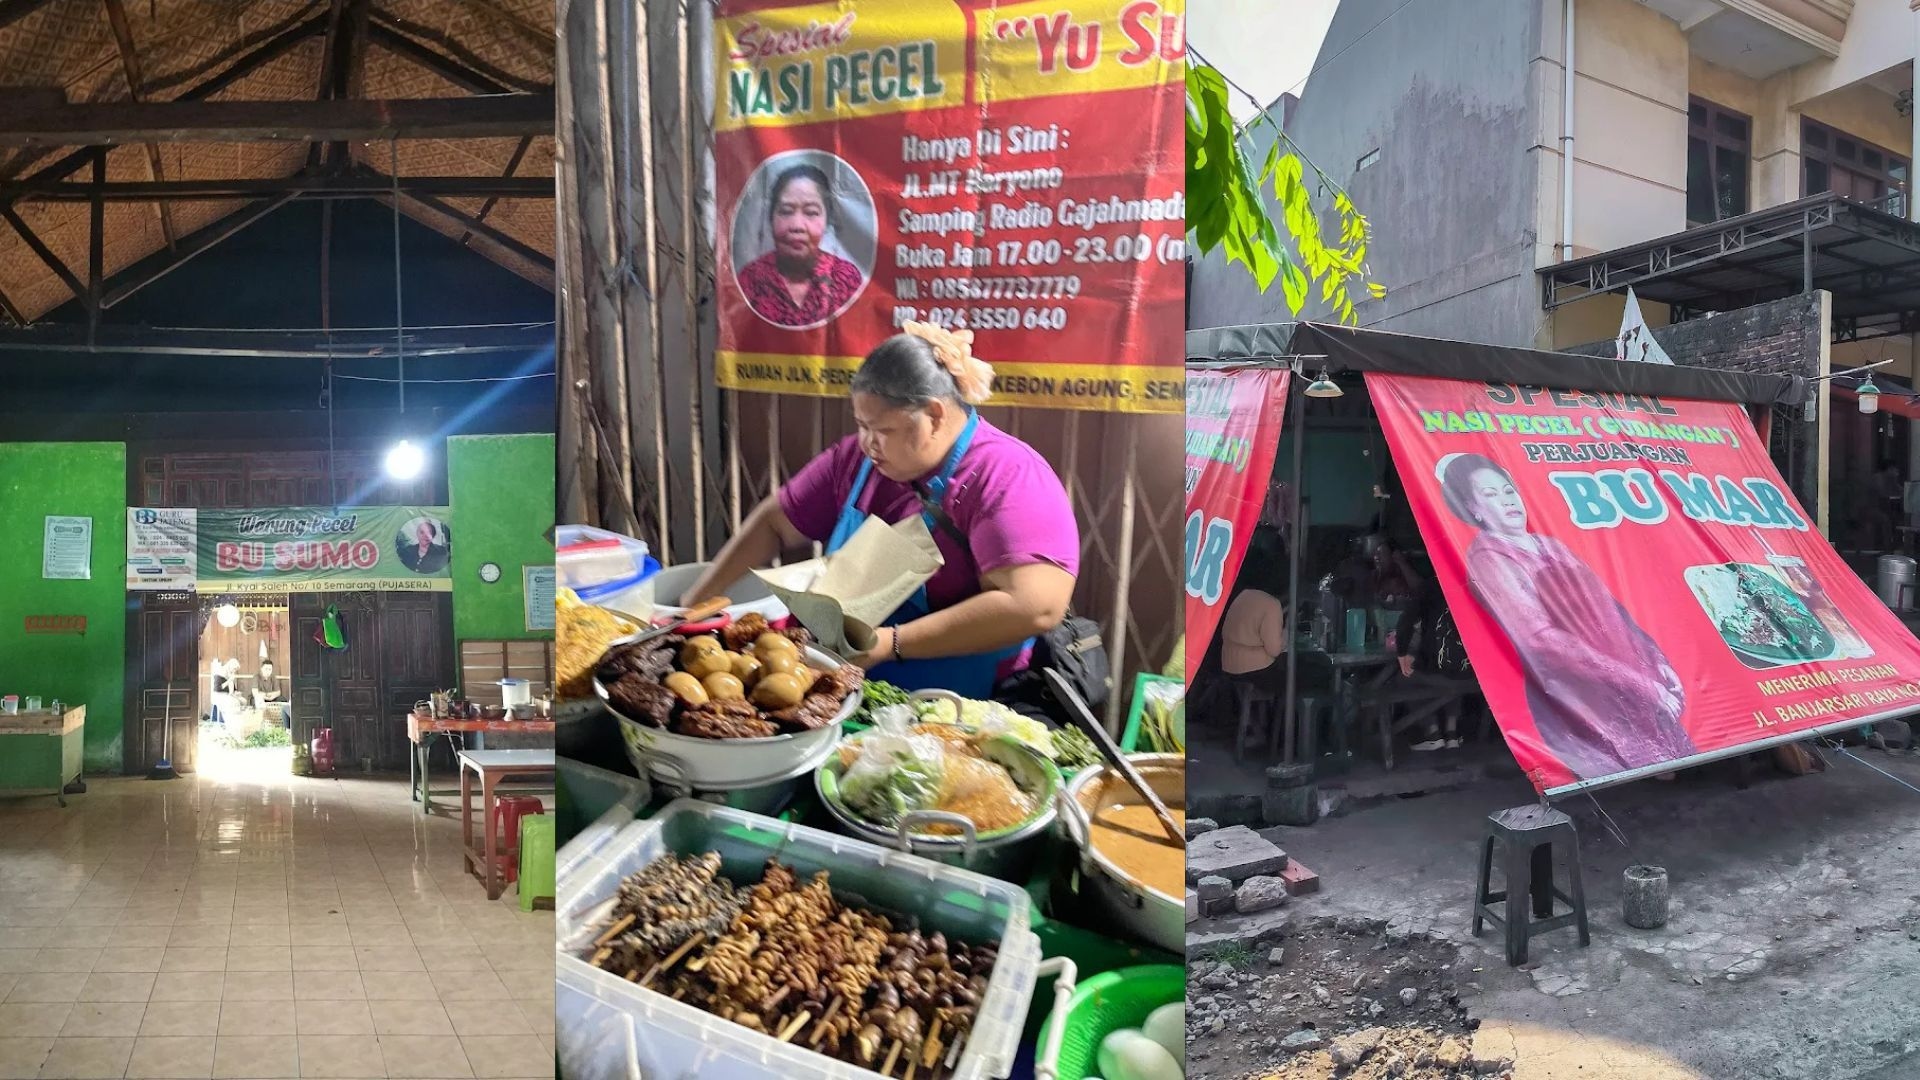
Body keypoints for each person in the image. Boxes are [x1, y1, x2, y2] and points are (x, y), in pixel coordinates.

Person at [686, 321, 1078, 697]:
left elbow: (1034, 606)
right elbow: (775, 522)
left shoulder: (1007, 476)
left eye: (883, 430)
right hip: (859, 688)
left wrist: (890, 644)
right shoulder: (856, 463)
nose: (868, 442)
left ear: (934, 415)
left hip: (967, 704)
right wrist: (696, 603)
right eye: (862, 425)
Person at [1438, 452, 1695, 780]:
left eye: (1508, 490)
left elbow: (1613, 610)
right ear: (1472, 508)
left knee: (1670, 766)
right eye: (1490, 495)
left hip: (1631, 686)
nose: (1507, 501)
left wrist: (1655, 660)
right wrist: (1639, 684)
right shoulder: (1490, 560)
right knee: (1620, 775)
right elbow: (1542, 642)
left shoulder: (1551, 545)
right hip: (1578, 697)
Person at [737, 164, 865, 328]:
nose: (797, 225)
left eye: (811, 212)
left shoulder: (847, 279)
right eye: (786, 211)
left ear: (827, 221)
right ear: (770, 219)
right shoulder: (750, 279)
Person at [1395, 577, 1474, 751]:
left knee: (1405, 677)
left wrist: (1402, 653)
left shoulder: (1430, 587)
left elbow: (1406, 620)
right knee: (1456, 668)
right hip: (1471, 675)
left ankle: (1433, 733)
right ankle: (1452, 733)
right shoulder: (1471, 583)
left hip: (1443, 674)